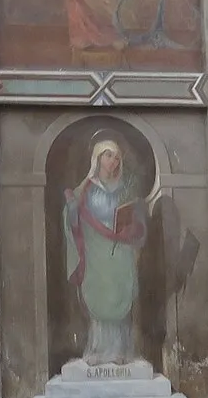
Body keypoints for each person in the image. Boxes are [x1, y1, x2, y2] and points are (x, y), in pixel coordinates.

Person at [62, 135, 147, 365]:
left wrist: (133, 227)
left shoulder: (125, 191)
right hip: (95, 255)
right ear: (97, 160)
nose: (114, 161)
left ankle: (120, 350)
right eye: (108, 156)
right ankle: (98, 349)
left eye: (117, 157)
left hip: (120, 254)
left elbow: (139, 224)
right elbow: (72, 222)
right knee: (99, 298)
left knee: (119, 294)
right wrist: (71, 209)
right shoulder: (85, 191)